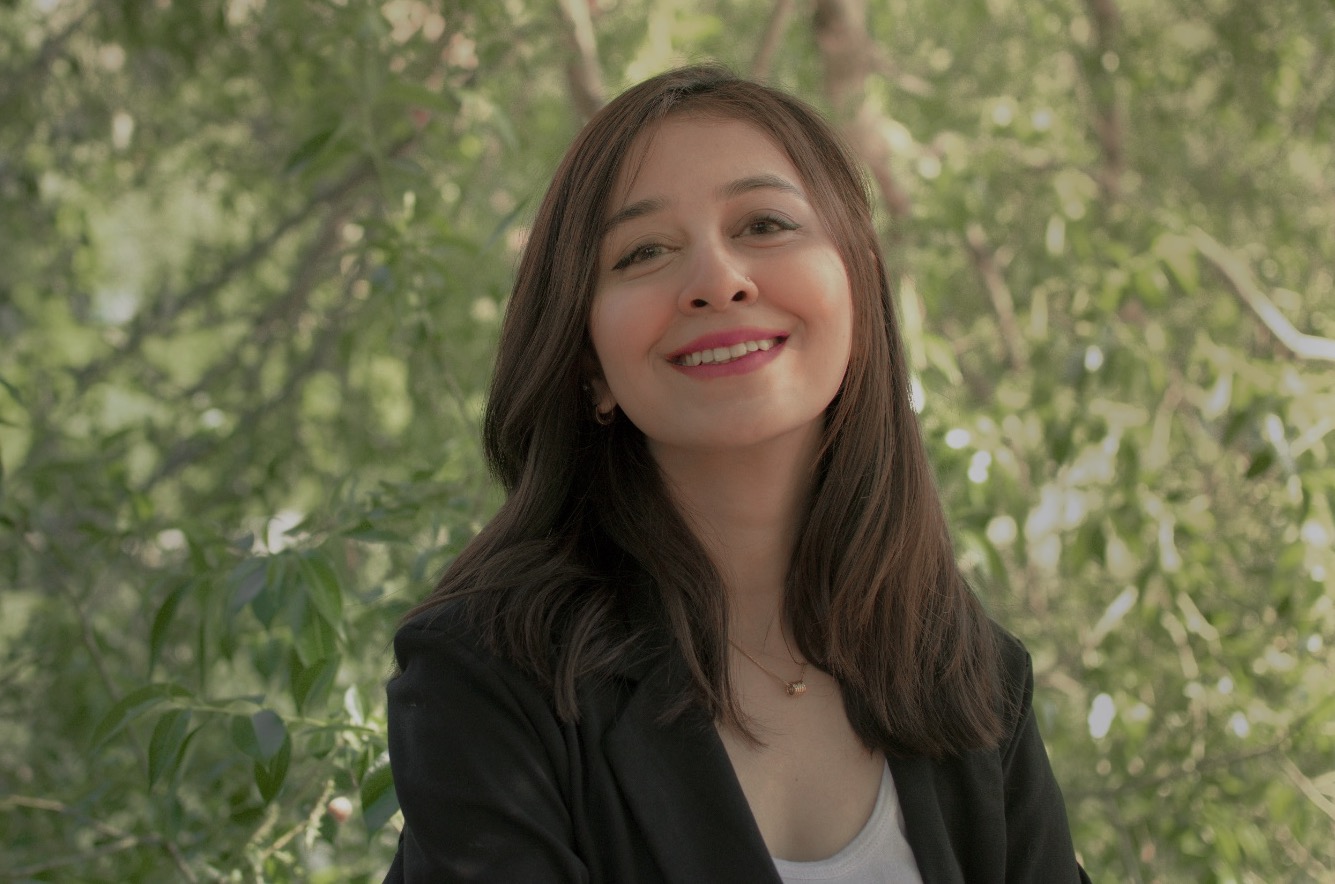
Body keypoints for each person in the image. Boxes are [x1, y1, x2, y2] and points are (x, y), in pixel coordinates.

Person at [384, 64, 1090, 883]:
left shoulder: (972, 678)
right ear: (590, 365)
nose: (718, 280)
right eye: (643, 251)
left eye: (764, 224)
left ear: (857, 287)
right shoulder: (487, 680)